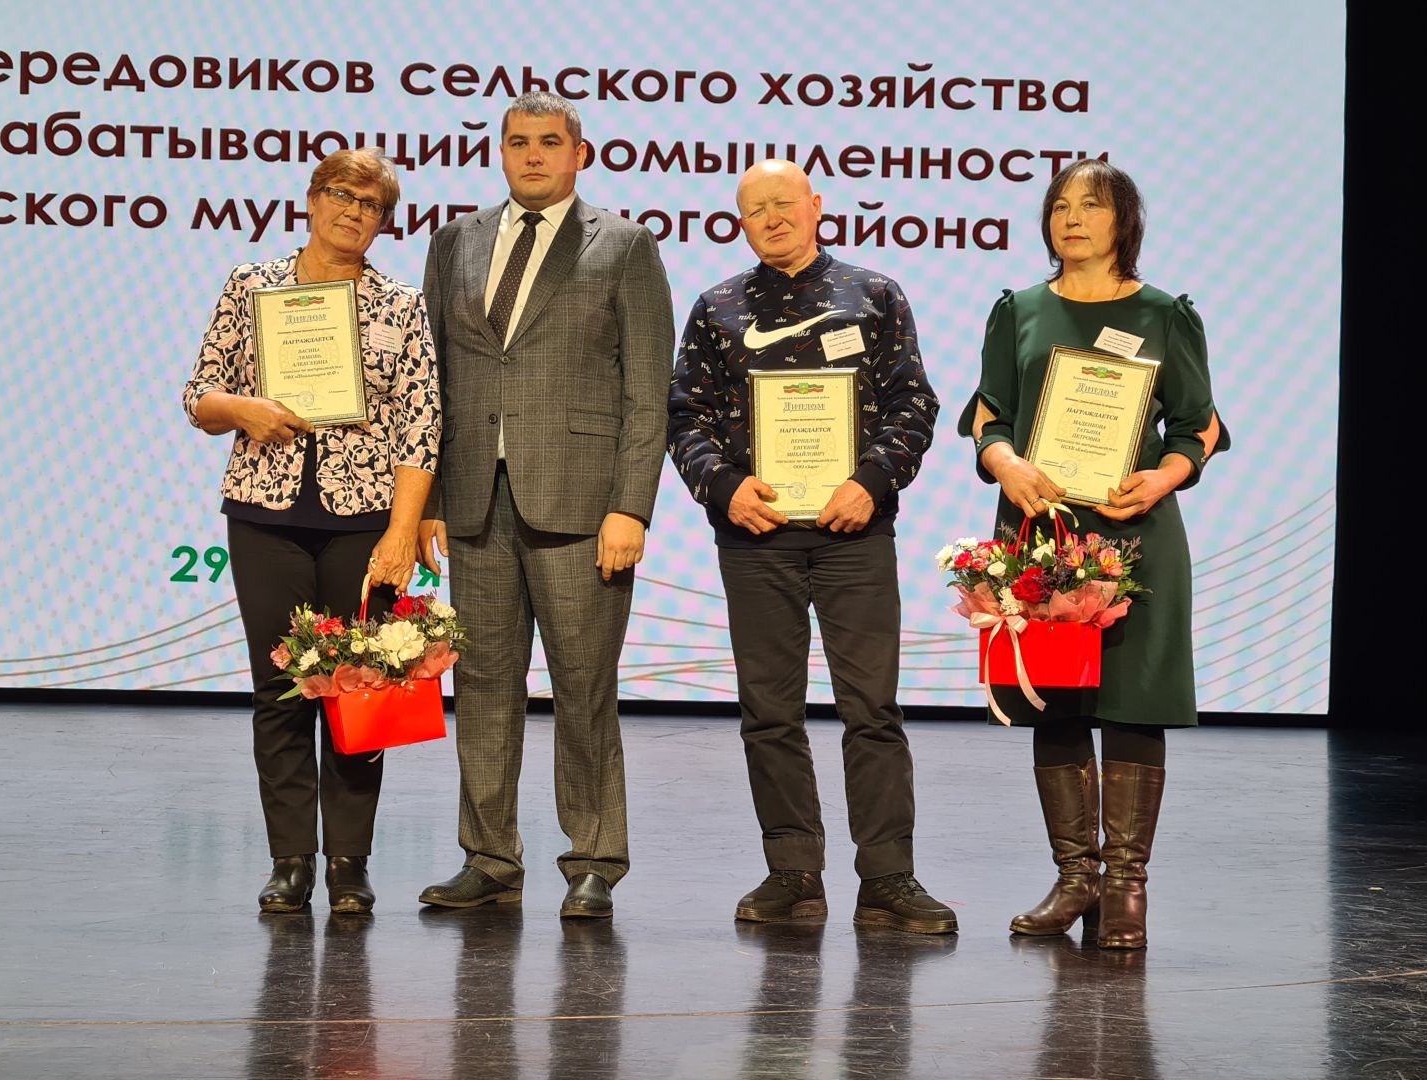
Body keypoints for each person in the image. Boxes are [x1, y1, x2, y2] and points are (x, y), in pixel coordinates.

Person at [667, 160, 955, 934]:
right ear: (740, 221)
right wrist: (723, 487)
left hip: (854, 532)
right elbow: (684, 415)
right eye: (754, 208)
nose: (771, 217)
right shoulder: (717, 307)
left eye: (783, 203)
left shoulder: (874, 294)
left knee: (872, 711)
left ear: (816, 205)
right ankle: (792, 873)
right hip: (755, 536)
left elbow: (913, 403)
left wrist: (870, 480)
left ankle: (889, 877)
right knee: (769, 712)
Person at [414, 92, 674, 919]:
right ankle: (489, 856)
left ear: (579, 155)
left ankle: (594, 857)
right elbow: (434, 384)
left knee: (583, 686)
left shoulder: (625, 246)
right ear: (500, 151)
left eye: (549, 143)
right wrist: (422, 502)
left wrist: (631, 507)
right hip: (472, 501)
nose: (532, 156)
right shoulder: (455, 241)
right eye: (518, 143)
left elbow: (647, 393)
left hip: (582, 503)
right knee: (485, 683)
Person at [959, 158, 1228, 949]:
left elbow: (1199, 425)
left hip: (1134, 532)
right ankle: (1075, 879)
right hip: (1041, 531)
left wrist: (1164, 477)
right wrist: (1004, 461)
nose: (1072, 218)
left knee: (1135, 702)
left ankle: (1125, 889)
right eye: (1060, 205)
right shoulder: (1020, 310)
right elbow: (988, 414)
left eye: (1092, 206)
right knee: (1059, 697)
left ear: (1124, 223)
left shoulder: (1164, 314)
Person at [182, 148, 440, 916]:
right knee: (282, 691)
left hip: (364, 523)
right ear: (311, 198)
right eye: (341, 195)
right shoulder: (252, 285)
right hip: (265, 515)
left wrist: (401, 534)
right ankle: (290, 859)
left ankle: (350, 865)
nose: (354, 212)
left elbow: (423, 427)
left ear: (383, 222)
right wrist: (243, 410)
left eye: (370, 205)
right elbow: (198, 395)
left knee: (362, 693)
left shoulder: (400, 305)